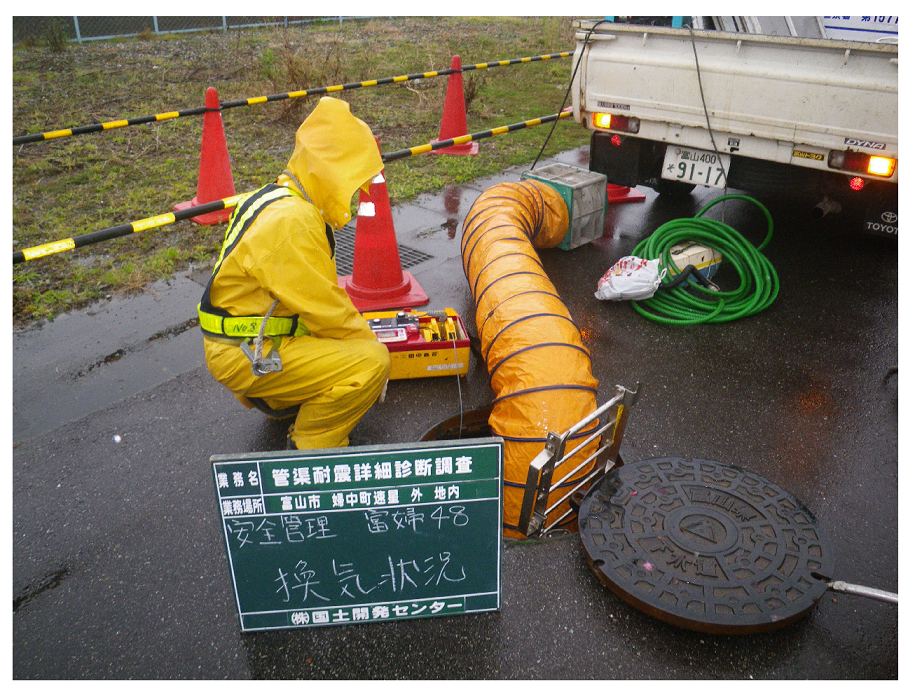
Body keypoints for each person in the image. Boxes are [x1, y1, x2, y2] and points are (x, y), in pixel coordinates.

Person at [198, 97, 390, 450]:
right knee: (370, 363)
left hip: (243, 341)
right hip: (247, 354)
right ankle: (310, 446)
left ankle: (286, 397)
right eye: (352, 179)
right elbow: (329, 312)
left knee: (344, 348)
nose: (353, 192)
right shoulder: (292, 222)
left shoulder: (276, 197)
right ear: (334, 168)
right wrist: (372, 354)